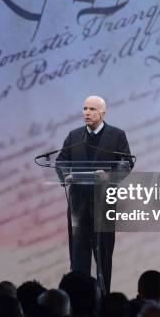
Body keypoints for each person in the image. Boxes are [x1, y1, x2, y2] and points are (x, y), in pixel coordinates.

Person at [56, 95, 132, 294]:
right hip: (78, 204)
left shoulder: (117, 135)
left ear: (102, 113)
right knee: (78, 255)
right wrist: (67, 175)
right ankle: (79, 299)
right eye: (84, 108)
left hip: (103, 203)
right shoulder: (74, 136)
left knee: (103, 254)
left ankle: (104, 297)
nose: (86, 113)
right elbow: (61, 161)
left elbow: (126, 165)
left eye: (91, 109)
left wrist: (109, 176)